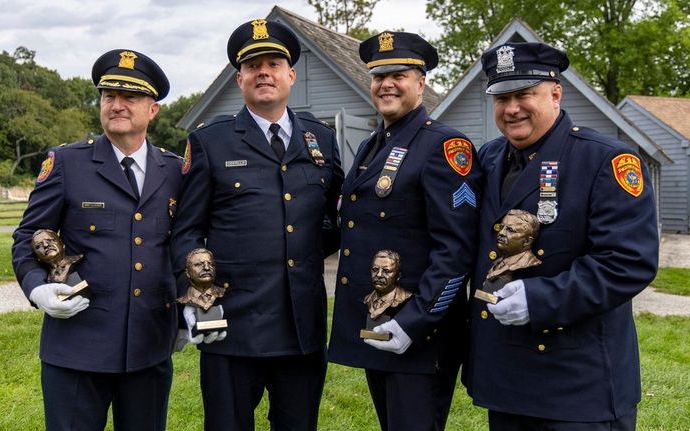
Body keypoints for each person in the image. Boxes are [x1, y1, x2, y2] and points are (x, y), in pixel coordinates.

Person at [465, 42, 659, 430]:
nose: (511, 108)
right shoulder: (487, 159)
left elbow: (628, 262)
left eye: (524, 94)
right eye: (501, 97)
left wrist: (539, 299)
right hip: (505, 374)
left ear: (555, 93)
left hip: (576, 383)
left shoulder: (603, 159)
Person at [169, 18, 343, 431]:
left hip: (302, 328)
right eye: (253, 66)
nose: (263, 72)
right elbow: (187, 231)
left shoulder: (321, 140)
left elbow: (336, 217)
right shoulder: (210, 141)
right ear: (239, 79)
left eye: (273, 63)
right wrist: (195, 298)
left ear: (291, 75)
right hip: (232, 326)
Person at [11, 48, 182, 431]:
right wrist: (37, 288)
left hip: (149, 348)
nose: (117, 105)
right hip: (77, 348)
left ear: (152, 109)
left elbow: (183, 245)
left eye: (130, 97)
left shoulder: (173, 170)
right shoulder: (67, 163)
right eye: (109, 96)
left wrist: (187, 313)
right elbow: (28, 235)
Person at [327, 31, 483, 431]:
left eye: (400, 74)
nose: (387, 84)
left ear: (421, 82)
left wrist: (415, 320)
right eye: (379, 76)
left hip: (420, 335)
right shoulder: (372, 146)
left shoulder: (444, 146)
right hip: (382, 324)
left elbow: (456, 249)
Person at [364, 250, 411, 320]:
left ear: (398, 276)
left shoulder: (407, 300)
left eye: (386, 271)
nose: (379, 275)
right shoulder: (367, 299)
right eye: (375, 269)